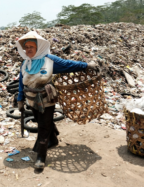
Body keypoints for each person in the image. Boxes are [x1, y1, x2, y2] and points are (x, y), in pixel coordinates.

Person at [16, 31, 97, 170]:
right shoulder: (25, 63)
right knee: (41, 121)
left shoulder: (49, 60)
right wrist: (20, 100)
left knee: (43, 127)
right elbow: (21, 83)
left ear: (39, 47)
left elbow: (68, 65)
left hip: (46, 101)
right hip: (31, 100)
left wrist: (86, 65)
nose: (28, 50)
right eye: (26, 47)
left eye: (31, 47)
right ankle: (53, 139)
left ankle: (41, 157)